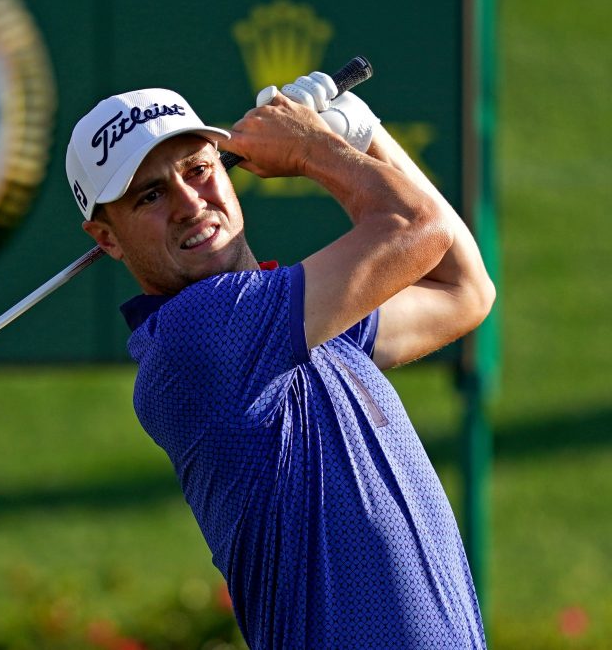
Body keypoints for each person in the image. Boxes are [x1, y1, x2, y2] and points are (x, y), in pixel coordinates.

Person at [65, 73, 494, 648]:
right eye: (150, 195)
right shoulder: (197, 336)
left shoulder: (295, 324)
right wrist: (314, 149)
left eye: (199, 169)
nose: (191, 204)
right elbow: (418, 228)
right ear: (107, 238)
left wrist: (363, 132)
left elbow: (463, 291)